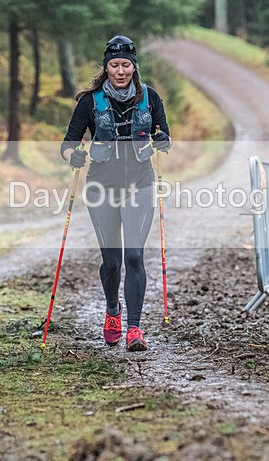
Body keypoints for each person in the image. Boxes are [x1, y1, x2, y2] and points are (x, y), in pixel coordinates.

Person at [60, 35, 172, 351]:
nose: (120, 71)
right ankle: (113, 312)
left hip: (140, 185)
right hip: (101, 188)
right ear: (106, 66)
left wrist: (163, 140)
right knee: (112, 261)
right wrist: (74, 157)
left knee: (134, 255)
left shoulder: (150, 97)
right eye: (114, 65)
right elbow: (68, 144)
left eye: (125, 65)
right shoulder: (90, 101)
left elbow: (163, 133)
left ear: (134, 67)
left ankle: (134, 329)